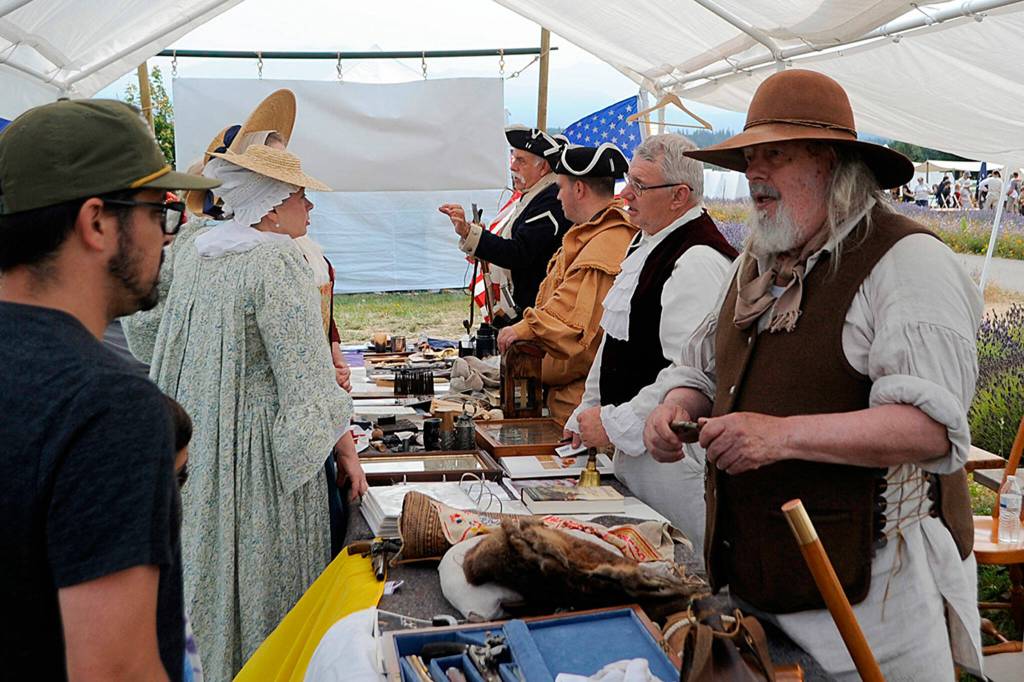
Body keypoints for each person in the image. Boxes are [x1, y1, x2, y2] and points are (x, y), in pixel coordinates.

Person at [643, 69, 982, 679]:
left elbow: (931, 428)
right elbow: (704, 367)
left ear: (832, 164)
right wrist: (680, 406)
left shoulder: (906, 262)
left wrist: (778, 436)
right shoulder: (759, 262)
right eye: (750, 157)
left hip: (872, 615)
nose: (754, 174)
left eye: (775, 155)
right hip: (757, 592)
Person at [0, 99, 220, 680]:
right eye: (157, 212)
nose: (167, 236)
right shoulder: (109, 407)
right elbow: (116, 669)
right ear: (97, 222)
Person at [149, 143, 365, 679]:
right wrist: (344, 449)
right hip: (258, 461)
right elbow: (305, 377)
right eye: (300, 196)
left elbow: (148, 332)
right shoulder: (275, 259)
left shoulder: (198, 254)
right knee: (265, 580)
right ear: (270, 206)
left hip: (203, 449)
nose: (309, 208)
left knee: (210, 574)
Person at [563, 134, 737, 549]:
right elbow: (614, 341)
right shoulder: (649, 242)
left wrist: (613, 421)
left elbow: (689, 372)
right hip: (637, 456)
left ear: (679, 196)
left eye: (639, 185)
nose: (625, 195)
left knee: (682, 564)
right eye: (628, 181)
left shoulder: (696, 259)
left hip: (673, 467)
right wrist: (588, 409)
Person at [496, 143, 636, 422]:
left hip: (580, 409)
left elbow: (574, 331)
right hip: (568, 401)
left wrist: (524, 333)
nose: (557, 196)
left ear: (580, 189)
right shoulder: (588, 236)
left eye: (560, 187)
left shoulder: (607, 243)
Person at [439, 125, 572, 321]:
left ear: (543, 167)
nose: (512, 166)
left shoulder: (550, 199)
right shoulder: (536, 194)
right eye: (513, 158)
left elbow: (518, 252)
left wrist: (471, 233)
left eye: (520, 160)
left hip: (538, 311)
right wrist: (471, 234)